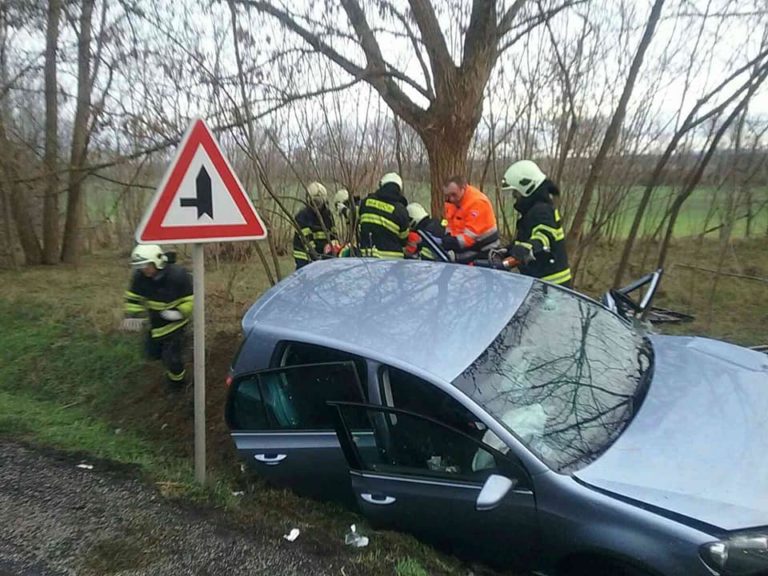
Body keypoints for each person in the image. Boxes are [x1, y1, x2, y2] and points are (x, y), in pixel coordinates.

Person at [122, 244, 193, 388]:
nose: (144, 270)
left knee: (172, 359)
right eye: (140, 266)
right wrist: (133, 316)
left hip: (176, 325)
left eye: (146, 265)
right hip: (156, 324)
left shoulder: (178, 276)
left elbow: (191, 300)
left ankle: (178, 385)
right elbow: (134, 298)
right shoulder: (139, 277)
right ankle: (170, 371)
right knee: (151, 353)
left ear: (157, 261)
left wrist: (179, 313)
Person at [500, 160, 571, 287]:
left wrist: (528, 248)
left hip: (553, 288)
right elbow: (527, 239)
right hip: (541, 285)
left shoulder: (542, 210)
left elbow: (544, 236)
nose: (515, 196)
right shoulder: (533, 211)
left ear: (527, 187)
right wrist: (507, 250)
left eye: (516, 192)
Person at [442, 175, 500, 262]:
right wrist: (447, 237)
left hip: (484, 250)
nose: (451, 199)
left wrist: (451, 242)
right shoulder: (451, 202)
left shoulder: (477, 203)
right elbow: (449, 224)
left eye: (454, 194)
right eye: (447, 195)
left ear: (463, 188)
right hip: (466, 247)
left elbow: (470, 238)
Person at [358, 172, 410, 259]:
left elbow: (358, 221)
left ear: (382, 185)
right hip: (392, 263)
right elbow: (404, 239)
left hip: (367, 259)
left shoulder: (365, 202)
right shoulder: (401, 210)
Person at [292, 182, 336, 270]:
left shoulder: (328, 215)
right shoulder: (302, 216)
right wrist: (316, 256)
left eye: (319, 202)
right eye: (314, 202)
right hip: (304, 257)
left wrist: (333, 248)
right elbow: (307, 241)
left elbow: (333, 235)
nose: (316, 205)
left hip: (323, 256)